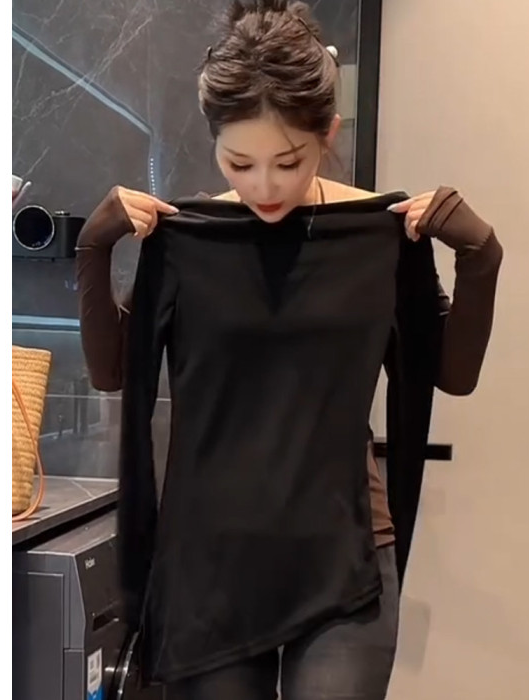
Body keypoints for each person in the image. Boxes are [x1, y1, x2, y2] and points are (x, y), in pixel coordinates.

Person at [76, 1, 503, 698]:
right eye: (240, 162)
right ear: (214, 140)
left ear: (328, 133)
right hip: (210, 563)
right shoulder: (189, 242)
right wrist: (93, 249)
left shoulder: (377, 240)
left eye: (288, 161)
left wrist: (481, 254)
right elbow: (112, 371)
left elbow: (451, 374)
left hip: (345, 553)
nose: (264, 186)